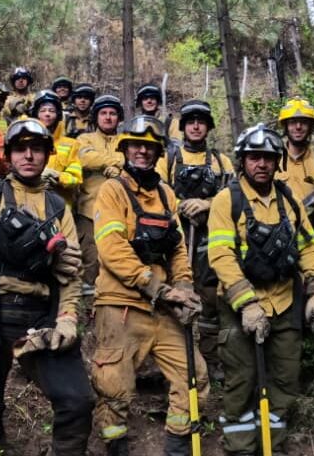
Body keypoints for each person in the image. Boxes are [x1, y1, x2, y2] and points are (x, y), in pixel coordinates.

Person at [0, 119, 94, 454]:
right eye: (20, 149)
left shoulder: (59, 208)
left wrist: (68, 318)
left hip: (39, 318)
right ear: (9, 155)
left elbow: (71, 274)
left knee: (77, 402)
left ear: (47, 155)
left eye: (37, 148)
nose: (29, 155)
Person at [91, 115, 206, 456]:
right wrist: (155, 285)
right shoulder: (112, 191)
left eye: (149, 147)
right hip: (121, 302)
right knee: (114, 385)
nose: (142, 151)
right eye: (136, 145)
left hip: (164, 305)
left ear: (158, 153)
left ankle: (177, 446)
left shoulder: (167, 193)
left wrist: (183, 286)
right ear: (125, 149)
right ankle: (116, 447)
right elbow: (112, 249)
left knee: (193, 376)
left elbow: (178, 248)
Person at [207, 124, 314, 456]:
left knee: (285, 381)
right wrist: (246, 303)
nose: (262, 164)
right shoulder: (226, 201)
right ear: (242, 161)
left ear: (277, 162)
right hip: (240, 307)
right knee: (241, 385)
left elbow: (309, 246)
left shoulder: (290, 199)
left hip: (285, 302)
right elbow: (221, 255)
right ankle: (241, 448)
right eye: (255, 157)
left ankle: (273, 445)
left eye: (269, 158)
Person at [158, 99, 234, 348]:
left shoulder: (221, 161)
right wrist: (181, 205)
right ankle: (176, 352)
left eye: (201, 122)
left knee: (210, 298)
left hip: (210, 240)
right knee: (174, 294)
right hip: (176, 239)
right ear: (183, 127)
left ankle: (210, 356)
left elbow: (234, 196)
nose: (196, 127)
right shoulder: (167, 159)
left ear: (209, 127)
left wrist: (208, 203)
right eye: (191, 122)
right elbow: (154, 194)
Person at [75, 94, 125, 292]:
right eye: (103, 113)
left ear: (118, 118)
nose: (108, 117)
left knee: (117, 254)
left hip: (119, 210)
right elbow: (84, 158)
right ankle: (87, 310)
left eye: (112, 114)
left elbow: (131, 161)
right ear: (96, 117)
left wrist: (117, 165)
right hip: (88, 209)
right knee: (89, 257)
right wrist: (111, 164)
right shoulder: (84, 138)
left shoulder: (126, 139)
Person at [275, 98, 314, 244]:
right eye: (292, 122)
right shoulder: (273, 159)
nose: (298, 127)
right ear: (285, 126)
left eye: (303, 122)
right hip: (281, 235)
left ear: (310, 126)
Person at [30, 90, 84, 209]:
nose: (47, 114)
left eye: (52, 111)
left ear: (58, 114)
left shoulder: (71, 144)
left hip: (60, 206)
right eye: (43, 111)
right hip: (31, 204)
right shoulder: (27, 141)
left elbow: (76, 178)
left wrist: (58, 176)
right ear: (36, 114)